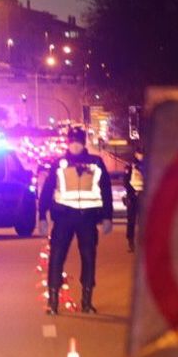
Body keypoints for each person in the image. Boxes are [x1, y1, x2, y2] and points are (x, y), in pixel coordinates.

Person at [39, 127, 114, 314]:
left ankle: (87, 301)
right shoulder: (59, 164)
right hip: (64, 217)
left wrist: (107, 217)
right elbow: (48, 190)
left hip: (87, 218)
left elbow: (106, 190)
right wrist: (42, 216)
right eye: (72, 141)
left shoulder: (96, 163)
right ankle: (53, 301)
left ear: (84, 143)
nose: (75, 145)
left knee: (89, 258)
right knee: (57, 258)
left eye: (78, 141)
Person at [123, 148, 146, 253]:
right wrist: (132, 192)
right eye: (139, 153)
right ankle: (131, 242)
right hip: (133, 197)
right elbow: (126, 181)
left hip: (144, 196)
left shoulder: (149, 164)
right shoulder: (130, 165)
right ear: (136, 154)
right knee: (131, 221)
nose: (141, 155)